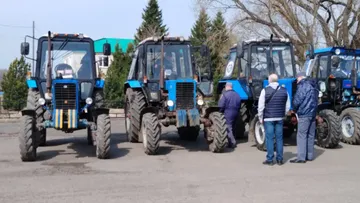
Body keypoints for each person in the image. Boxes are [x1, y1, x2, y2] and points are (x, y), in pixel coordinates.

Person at [258, 73, 290, 166]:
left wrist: (260, 117)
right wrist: (283, 114)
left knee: (270, 138)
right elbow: (287, 106)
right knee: (279, 138)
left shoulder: (265, 90)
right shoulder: (284, 91)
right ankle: (280, 159)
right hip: (279, 118)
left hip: (268, 118)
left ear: (269, 80)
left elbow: (261, 106)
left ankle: (270, 159)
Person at [290, 72, 318, 163]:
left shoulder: (303, 86)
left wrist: (293, 108)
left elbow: (298, 99)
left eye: (297, 78)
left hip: (304, 113)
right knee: (310, 135)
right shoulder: (313, 85)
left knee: (301, 135)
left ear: (300, 77)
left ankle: (301, 157)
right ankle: (309, 156)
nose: (297, 81)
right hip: (312, 113)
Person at [218, 82, 241, 148]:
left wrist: (220, 112)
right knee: (233, 127)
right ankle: (231, 142)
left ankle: (232, 142)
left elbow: (221, 105)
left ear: (227, 87)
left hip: (228, 112)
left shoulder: (225, 95)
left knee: (228, 128)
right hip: (236, 112)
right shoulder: (237, 94)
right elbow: (239, 104)